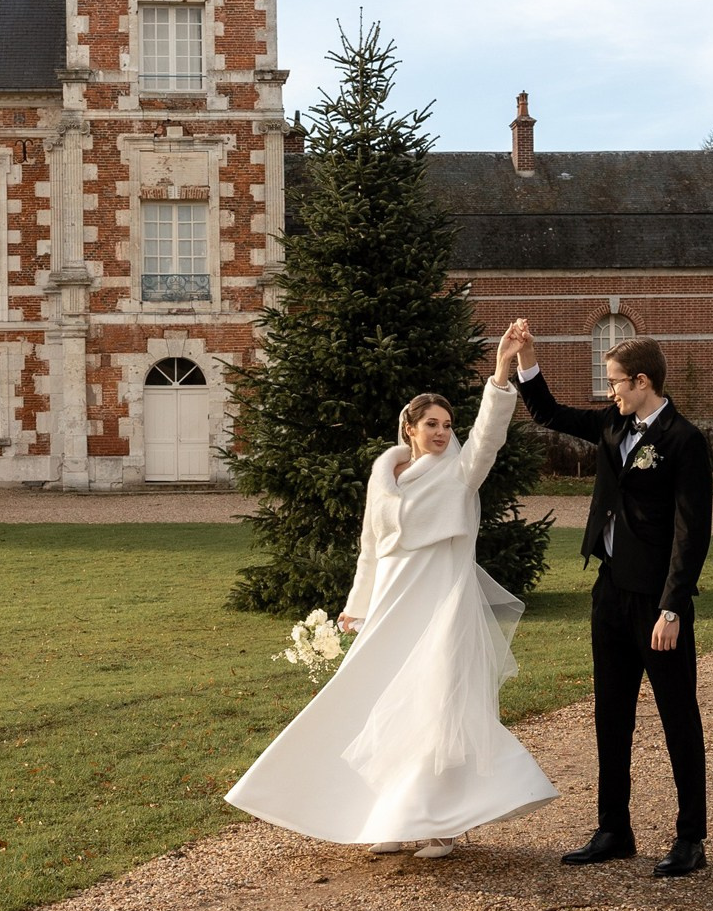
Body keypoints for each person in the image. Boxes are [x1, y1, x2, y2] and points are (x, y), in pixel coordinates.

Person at [226, 324, 557, 857]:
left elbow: (489, 435)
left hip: (442, 601)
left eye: (447, 425)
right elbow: (370, 548)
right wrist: (357, 606)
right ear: (410, 427)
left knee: (437, 705)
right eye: (432, 424)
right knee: (382, 705)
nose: (442, 433)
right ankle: (393, 818)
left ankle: (442, 824)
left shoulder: (460, 473)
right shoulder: (383, 475)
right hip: (390, 603)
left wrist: (501, 371)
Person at [507, 318, 712, 878]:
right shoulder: (612, 426)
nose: (609, 390)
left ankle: (690, 838)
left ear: (642, 381)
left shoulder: (684, 441)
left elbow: (691, 533)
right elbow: (548, 413)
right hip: (610, 592)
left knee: (678, 719)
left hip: (658, 604)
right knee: (611, 715)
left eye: (616, 381)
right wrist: (526, 358)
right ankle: (613, 829)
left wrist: (673, 606)